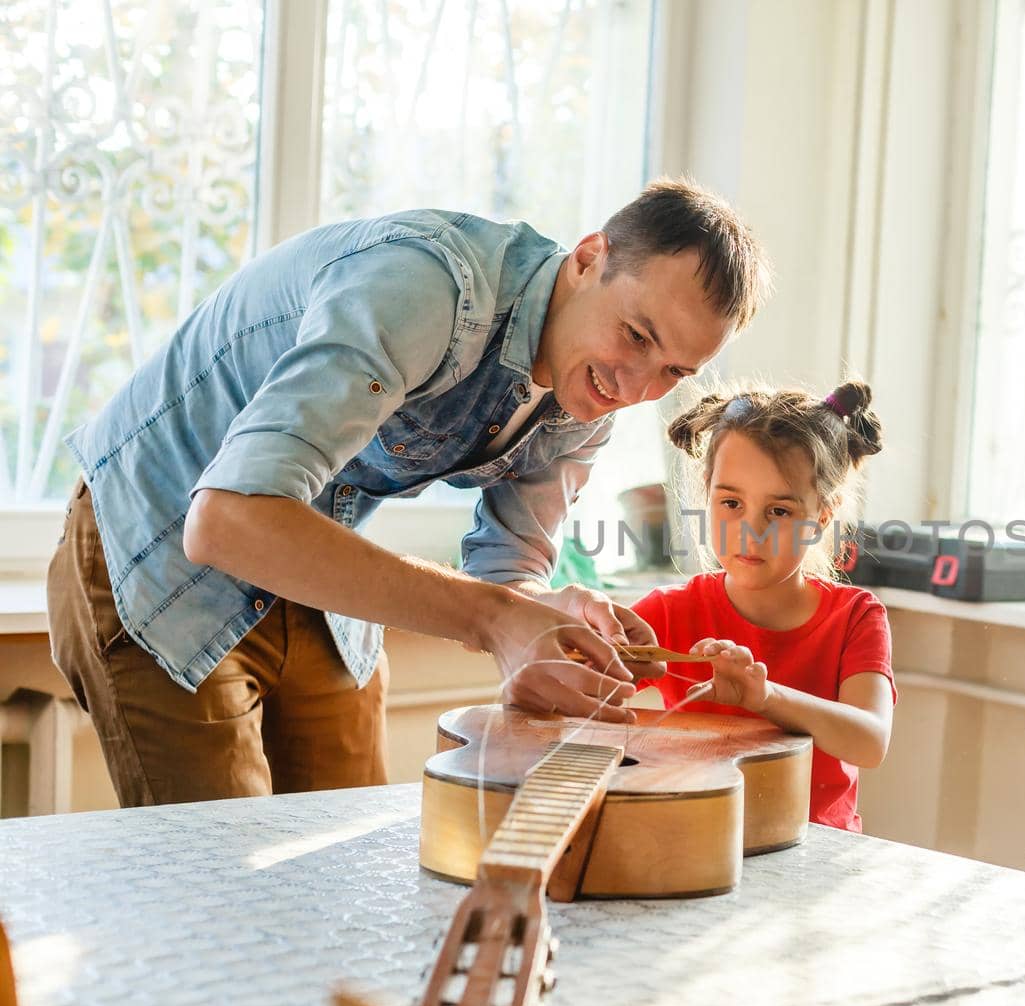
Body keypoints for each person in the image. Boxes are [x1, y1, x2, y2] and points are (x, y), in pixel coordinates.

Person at [46, 178, 771, 806]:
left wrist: (550, 613)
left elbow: (507, 572)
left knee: (343, 882)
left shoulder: (588, 400)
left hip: (312, 551)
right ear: (588, 260)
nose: (636, 387)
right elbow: (227, 521)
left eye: (674, 371)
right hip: (158, 543)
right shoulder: (426, 286)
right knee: (227, 893)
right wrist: (497, 618)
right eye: (637, 334)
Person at [630, 381, 895, 831]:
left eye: (779, 511)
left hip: (815, 854)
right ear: (706, 497)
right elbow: (579, 697)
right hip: (691, 839)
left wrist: (765, 698)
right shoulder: (667, 613)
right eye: (731, 502)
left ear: (822, 516)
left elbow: (869, 740)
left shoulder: (856, 617)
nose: (750, 531)